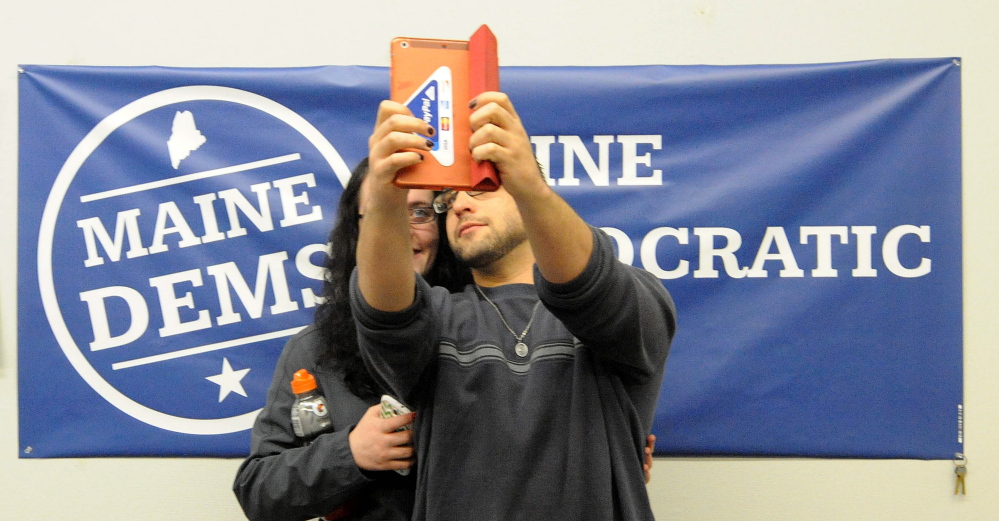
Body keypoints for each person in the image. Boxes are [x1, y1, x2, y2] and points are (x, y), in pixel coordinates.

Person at [352, 93, 677, 521]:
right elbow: (383, 311)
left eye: (483, 187)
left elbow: (588, 283)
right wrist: (384, 195)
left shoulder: (635, 297)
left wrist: (529, 185)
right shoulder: (438, 316)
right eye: (447, 200)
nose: (461, 205)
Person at [232, 158, 471, 521]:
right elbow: (259, 492)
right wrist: (351, 452)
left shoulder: (484, 329)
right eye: (383, 211)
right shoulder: (315, 348)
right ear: (355, 232)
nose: (402, 230)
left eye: (419, 212)